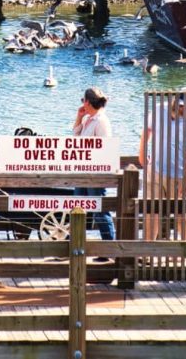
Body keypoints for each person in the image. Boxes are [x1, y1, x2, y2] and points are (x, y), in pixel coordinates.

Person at [139, 88, 186, 240]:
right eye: (180, 105)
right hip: (155, 171)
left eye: (185, 107)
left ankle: (185, 253)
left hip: (178, 175)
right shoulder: (158, 109)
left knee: (181, 214)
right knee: (151, 212)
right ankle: (148, 252)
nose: (182, 109)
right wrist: (142, 154)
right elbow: (146, 131)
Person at [73, 87, 116, 254]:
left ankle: (109, 249)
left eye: (83, 100)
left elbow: (105, 147)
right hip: (82, 172)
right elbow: (75, 138)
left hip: (96, 174)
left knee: (99, 210)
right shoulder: (87, 119)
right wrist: (79, 116)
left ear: (88, 102)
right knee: (78, 207)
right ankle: (75, 245)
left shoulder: (101, 121)